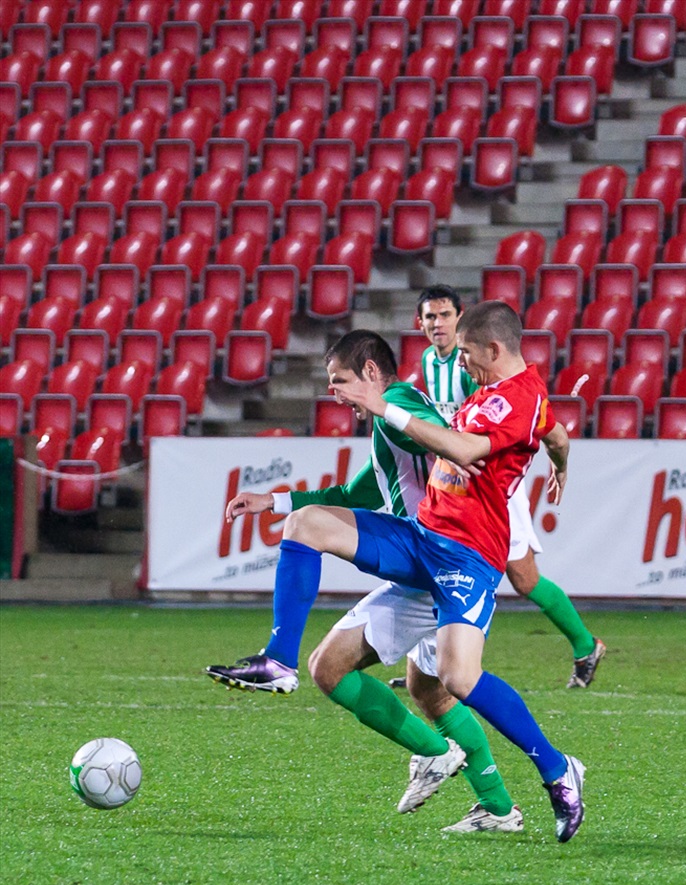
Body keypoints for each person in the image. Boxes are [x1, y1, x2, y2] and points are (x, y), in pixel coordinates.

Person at [208, 304, 586, 842]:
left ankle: (554, 768)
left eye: (470, 356)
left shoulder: (501, 397)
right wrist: (562, 463)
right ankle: (279, 662)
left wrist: (382, 405)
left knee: (454, 680)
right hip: (421, 539)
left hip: (466, 554)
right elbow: (556, 433)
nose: (462, 365)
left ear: (494, 350)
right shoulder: (501, 395)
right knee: (307, 535)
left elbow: (457, 444)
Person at [413, 284, 605, 690]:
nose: (437, 324)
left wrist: (559, 463)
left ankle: (585, 645)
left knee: (523, 578)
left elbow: (544, 427)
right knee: (434, 554)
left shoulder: (482, 367)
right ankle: (429, 660)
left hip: (493, 490)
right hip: (456, 482)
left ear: (459, 318)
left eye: (444, 315)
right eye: (430, 317)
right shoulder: (431, 361)